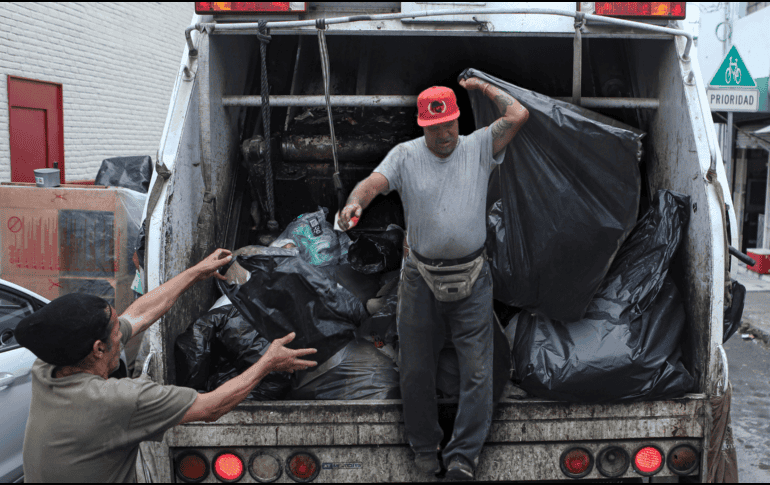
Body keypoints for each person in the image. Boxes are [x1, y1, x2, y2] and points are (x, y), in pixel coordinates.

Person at [338, 77, 528, 480]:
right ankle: (425, 449)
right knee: (415, 368)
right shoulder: (405, 156)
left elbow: (518, 114)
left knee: (477, 371)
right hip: (420, 280)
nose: (445, 134)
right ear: (422, 125)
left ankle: (463, 458)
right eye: (436, 127)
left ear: (459, 121)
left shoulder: (478, 146)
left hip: (473, 278)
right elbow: (373, 183)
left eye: (451, 125)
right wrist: (355, 202)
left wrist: (481, 86)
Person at [14, 248, 317, 483]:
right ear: (98, 349)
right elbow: (211, 407)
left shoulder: (49, 366)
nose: (123, 332)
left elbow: (140, 314)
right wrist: (267, 363)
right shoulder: (118, 401)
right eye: (116, 331)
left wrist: (196, 272)